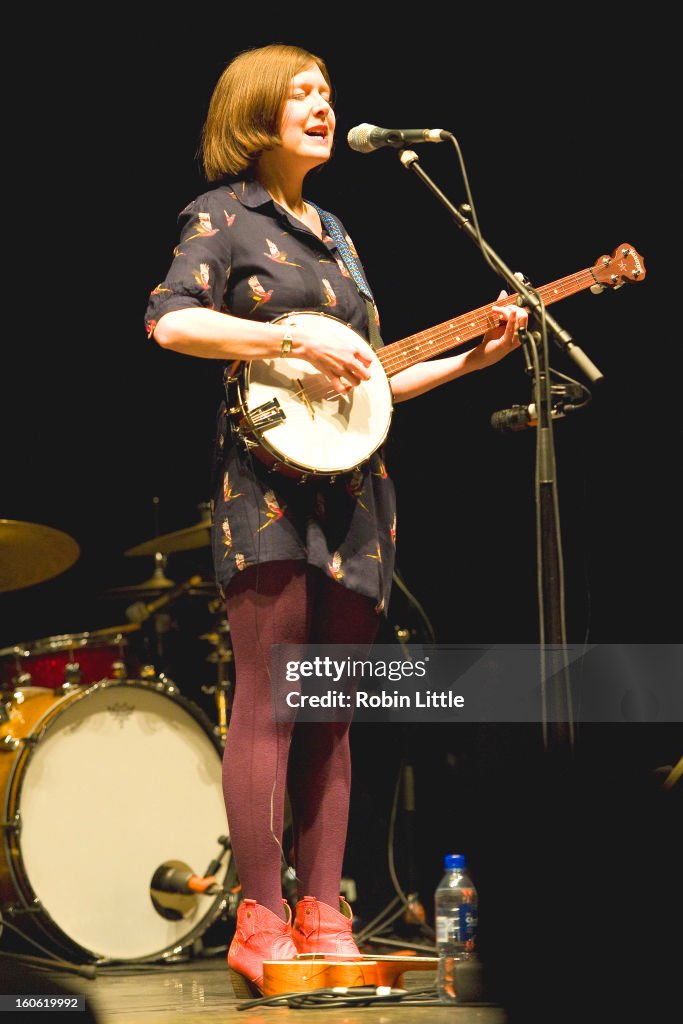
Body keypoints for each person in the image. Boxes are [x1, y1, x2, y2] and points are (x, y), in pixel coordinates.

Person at [144, 43, 527, 997]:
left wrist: (471, 357)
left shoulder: (339, 234)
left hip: (356, 490)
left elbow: (370, 375)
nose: (322, 106)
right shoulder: (224, 217)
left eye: (327, 92)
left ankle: (322, 911)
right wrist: (283, 341)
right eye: (301, 94)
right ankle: (261, 918)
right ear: (255, 111)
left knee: (332, 711)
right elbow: (172, 322)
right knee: (273, 701)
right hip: (266, 488)